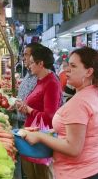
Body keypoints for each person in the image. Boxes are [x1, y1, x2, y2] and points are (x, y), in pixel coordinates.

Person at [19, 47, 98, 179]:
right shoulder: (93, 93)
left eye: (73, 66)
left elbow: (73, 148)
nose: (66, 69)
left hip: (77, 173)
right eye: (68, 65)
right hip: (91, 168)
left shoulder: (79, 102)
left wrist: (40, 136)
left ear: (89, 71)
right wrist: (50, 132)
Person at [15, 45, 62, 179]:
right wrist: (24, 106)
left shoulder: (51, 83)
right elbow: (38, 105)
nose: (28, 66)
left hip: (39, 141)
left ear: (40, 63)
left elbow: (49, 117)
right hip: (32, 136)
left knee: (39, 175)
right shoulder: (40, 80)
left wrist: (29, 110)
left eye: (31, 63)